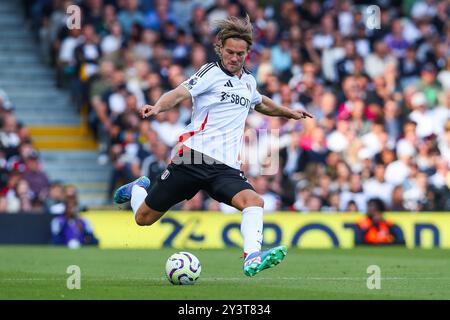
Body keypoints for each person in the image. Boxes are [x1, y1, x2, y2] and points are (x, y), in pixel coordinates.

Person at [113, 15, 313, 277]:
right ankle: (139, 188)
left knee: (254, 201)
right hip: (194, 158)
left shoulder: (249, 82)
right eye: (230, 52)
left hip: (225, 167)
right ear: (220, 48)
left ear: (247, 53)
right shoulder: (210, 73)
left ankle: (252, 257)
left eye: (240, 53)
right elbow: (179, 93)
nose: (234, 57)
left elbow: (262, 102)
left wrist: (289, 113)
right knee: (143, 218)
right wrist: (157, 107)